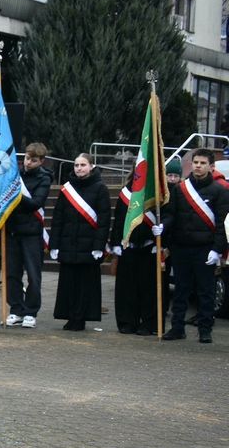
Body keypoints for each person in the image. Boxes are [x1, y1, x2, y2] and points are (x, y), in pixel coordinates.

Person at [161, 147, 229, 343]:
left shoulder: (220, 191)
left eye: (202, 163)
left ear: (210, 166)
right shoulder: (180, 189)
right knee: (181, 290)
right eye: (195, 163)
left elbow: (221, 223)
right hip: (181, 247)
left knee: (205, 291)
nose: (198, 166)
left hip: (205, 249)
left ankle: (205, 329)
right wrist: (163, 227)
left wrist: (217, 250)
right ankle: (177, 328)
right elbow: (171, 215)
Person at [108, 156, 173, 336]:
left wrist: (163, 231)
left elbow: (169, 215)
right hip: (128, 245)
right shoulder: (126, 192)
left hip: (151, 246)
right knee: (127, 288)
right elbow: (119, 220)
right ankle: (127, 321)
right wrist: (115, 244)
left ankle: (149, 323)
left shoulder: (161, 192)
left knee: (149, 288)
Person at [50, 154, 111, 331]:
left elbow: (104, 220)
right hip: (68, 244)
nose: (79, 168)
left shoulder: (100, 188)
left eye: (83, 165)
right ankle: (69, 316)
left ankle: (81, 317)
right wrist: (54, 244)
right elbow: (58, 218)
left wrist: (99, 246)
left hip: (89, 246)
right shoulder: (67, 189)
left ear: (91, 166)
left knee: (85, 284)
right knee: (68, 283)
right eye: (76, 165)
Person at [3, 142, 51, 329]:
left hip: (31, 233)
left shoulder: (44, 178)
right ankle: (16, 309)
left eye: (34, 160)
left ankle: (31, 310)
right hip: (12, 230)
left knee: (33, 274)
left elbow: (35, 203)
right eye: (27, 158)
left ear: (41, 161)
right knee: (12, 274)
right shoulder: (15, 175)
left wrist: (15, 194)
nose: (28, 163)